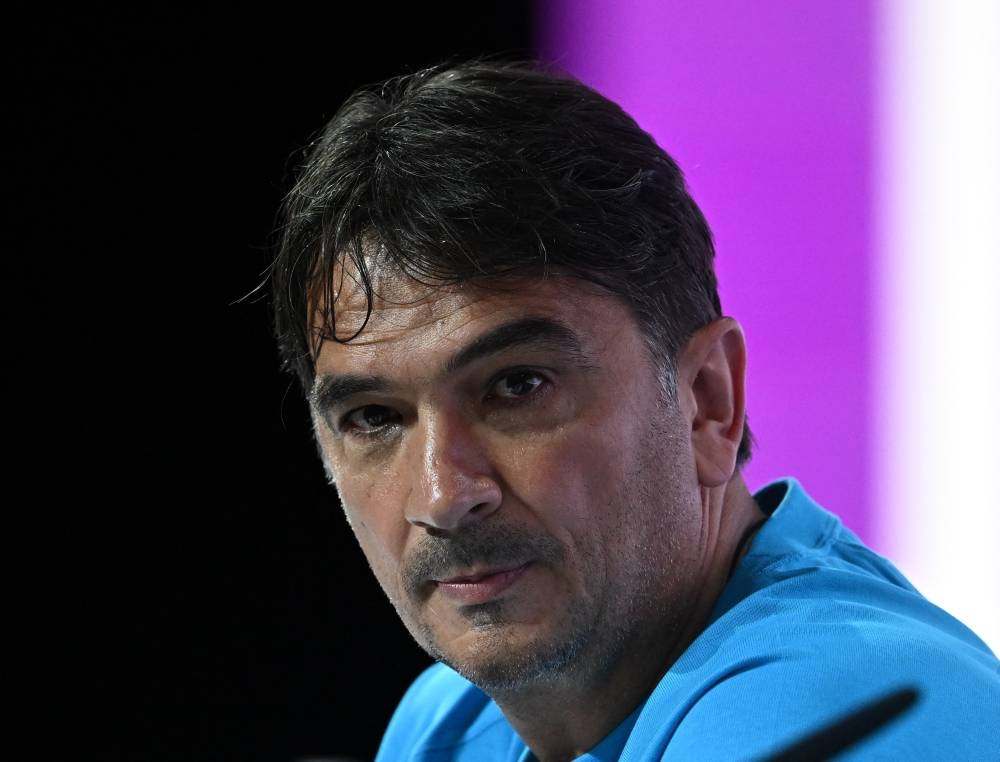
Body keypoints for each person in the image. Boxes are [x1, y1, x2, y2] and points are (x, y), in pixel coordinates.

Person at [269, 60, 1000, 761]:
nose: (442, 495)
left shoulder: (848, 705)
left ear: (707, 402)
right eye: (374, 418)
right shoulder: (450, 725)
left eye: (517, 386)